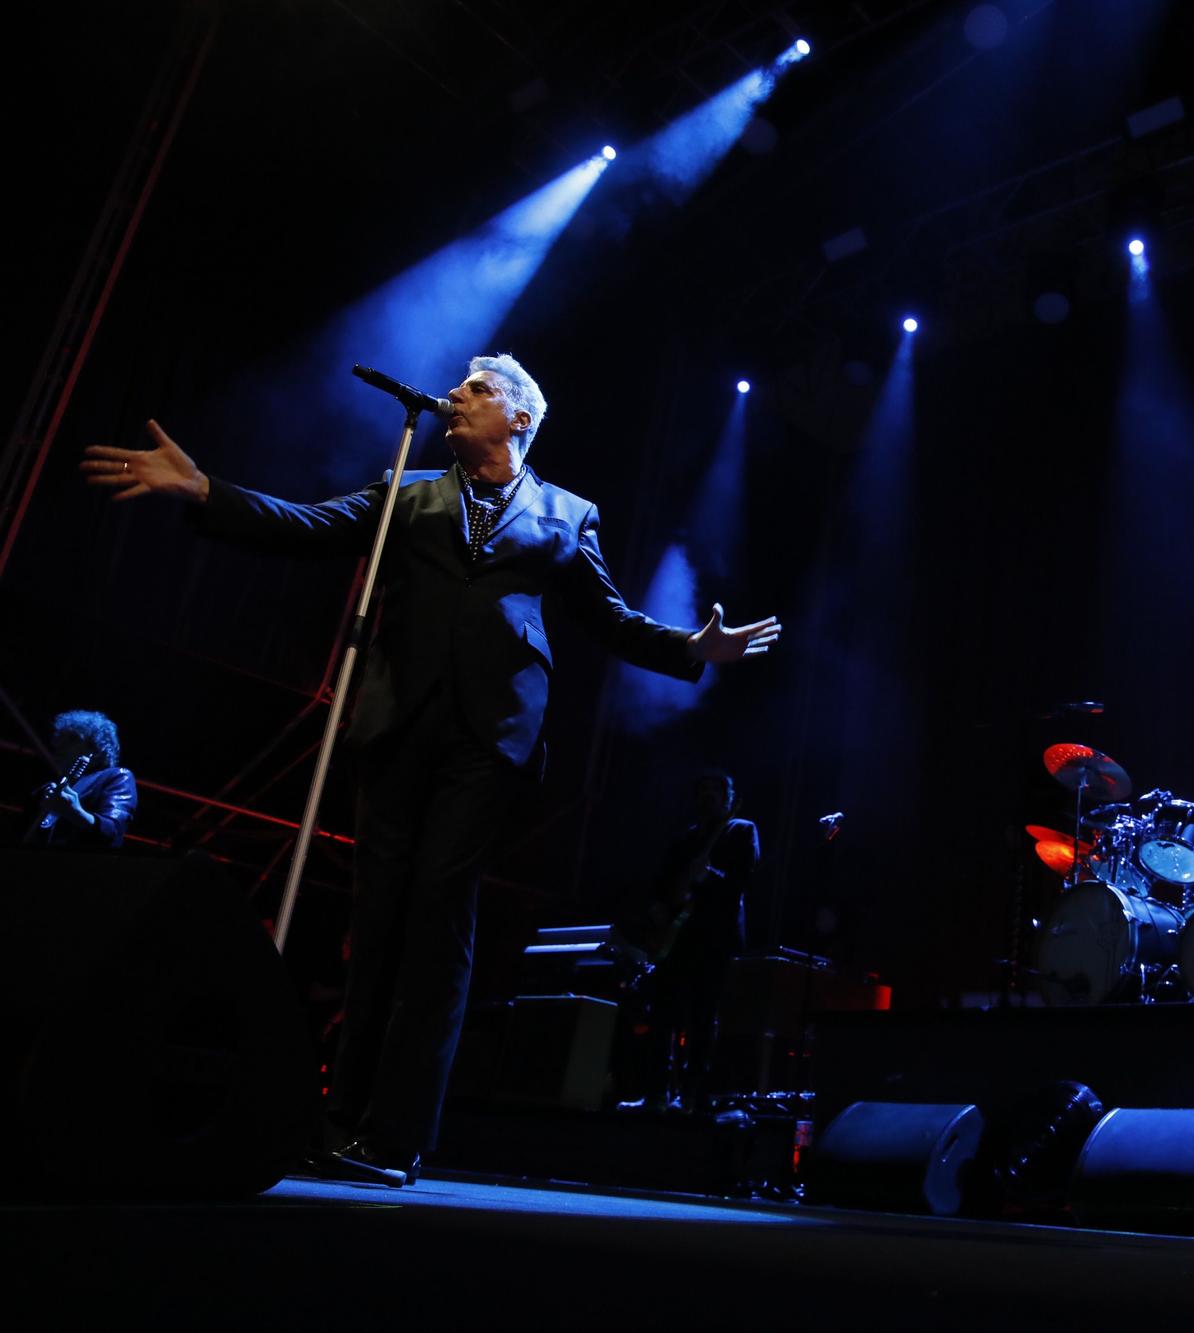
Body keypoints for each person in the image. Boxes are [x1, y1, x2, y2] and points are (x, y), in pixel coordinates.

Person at [80, 354, 782, 1186]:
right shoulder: (408, 492)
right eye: (460, 387)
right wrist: (205, 492)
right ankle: (339, 1121)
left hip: (488, 739)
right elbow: (306, 524)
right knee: (377, 919)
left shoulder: (566, 514)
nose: (457, 396)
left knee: (438, 922)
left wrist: (691, 649)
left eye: (478, 390)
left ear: (520, 417)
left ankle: (396, 1134)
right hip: (398, 722)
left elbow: (609, 617)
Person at [614, 770, 760, 1112]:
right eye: (702, 789)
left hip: (714, 937)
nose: (708, 795)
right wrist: (657, 910)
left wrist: (711, 876)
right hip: (676, 940)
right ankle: (656, 1094)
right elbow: (662, 886)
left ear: (727, 797)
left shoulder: (741, 830)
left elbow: (743, 878)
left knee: (702, 1016)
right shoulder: (685, 838)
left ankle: (693, 1094)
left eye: (715, 789)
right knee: (663, 1014)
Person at [19, 709, 138, 849]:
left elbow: (112, 831)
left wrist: (76, 812)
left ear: (97, 749)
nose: (60, 744)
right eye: (60, 738)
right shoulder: (49, 787)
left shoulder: (116, 776)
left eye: (72, 739)